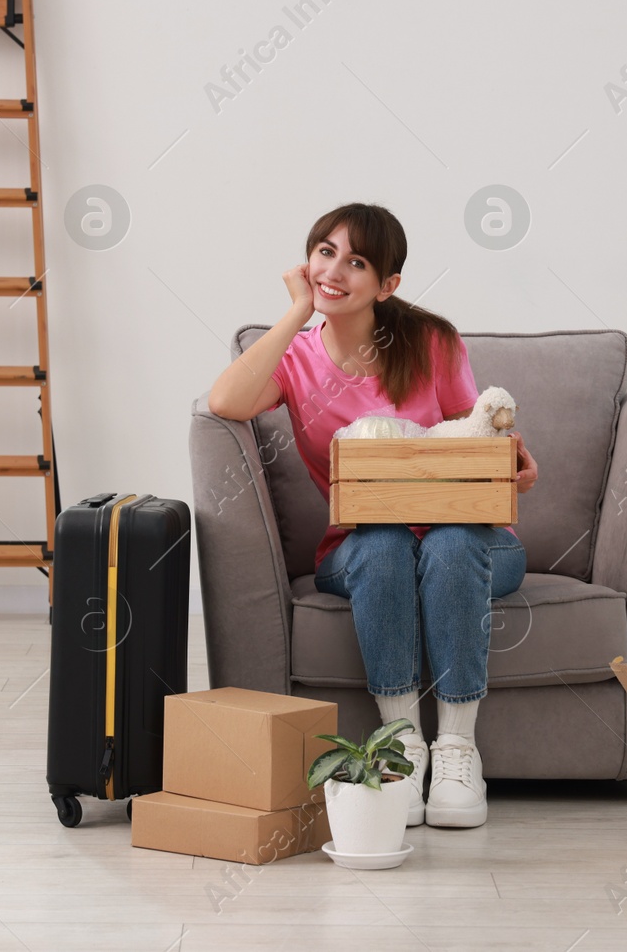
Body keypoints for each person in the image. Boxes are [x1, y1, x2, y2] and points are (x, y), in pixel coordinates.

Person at [207, 202, 539, 828]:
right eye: (324, 252)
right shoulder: (298, 358)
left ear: (387, 285)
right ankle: (401, 746)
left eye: (356, 262)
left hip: (469, 539)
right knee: (385, 542)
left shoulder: (432, 342)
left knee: (448, 543)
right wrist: (299, 311)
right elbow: (225, 401)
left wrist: (515, 459)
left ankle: (458, 748)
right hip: (360, 545)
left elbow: (477, 432)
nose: (335, 270)